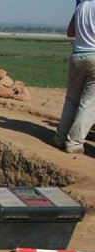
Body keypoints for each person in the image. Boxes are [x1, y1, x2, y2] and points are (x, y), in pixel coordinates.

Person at [55, 0, 95, 154]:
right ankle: (74, 143)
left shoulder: (81, 6)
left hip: (77, 56)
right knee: (89, 103)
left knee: (72, 100)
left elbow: (70, 32)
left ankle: (60, 137)